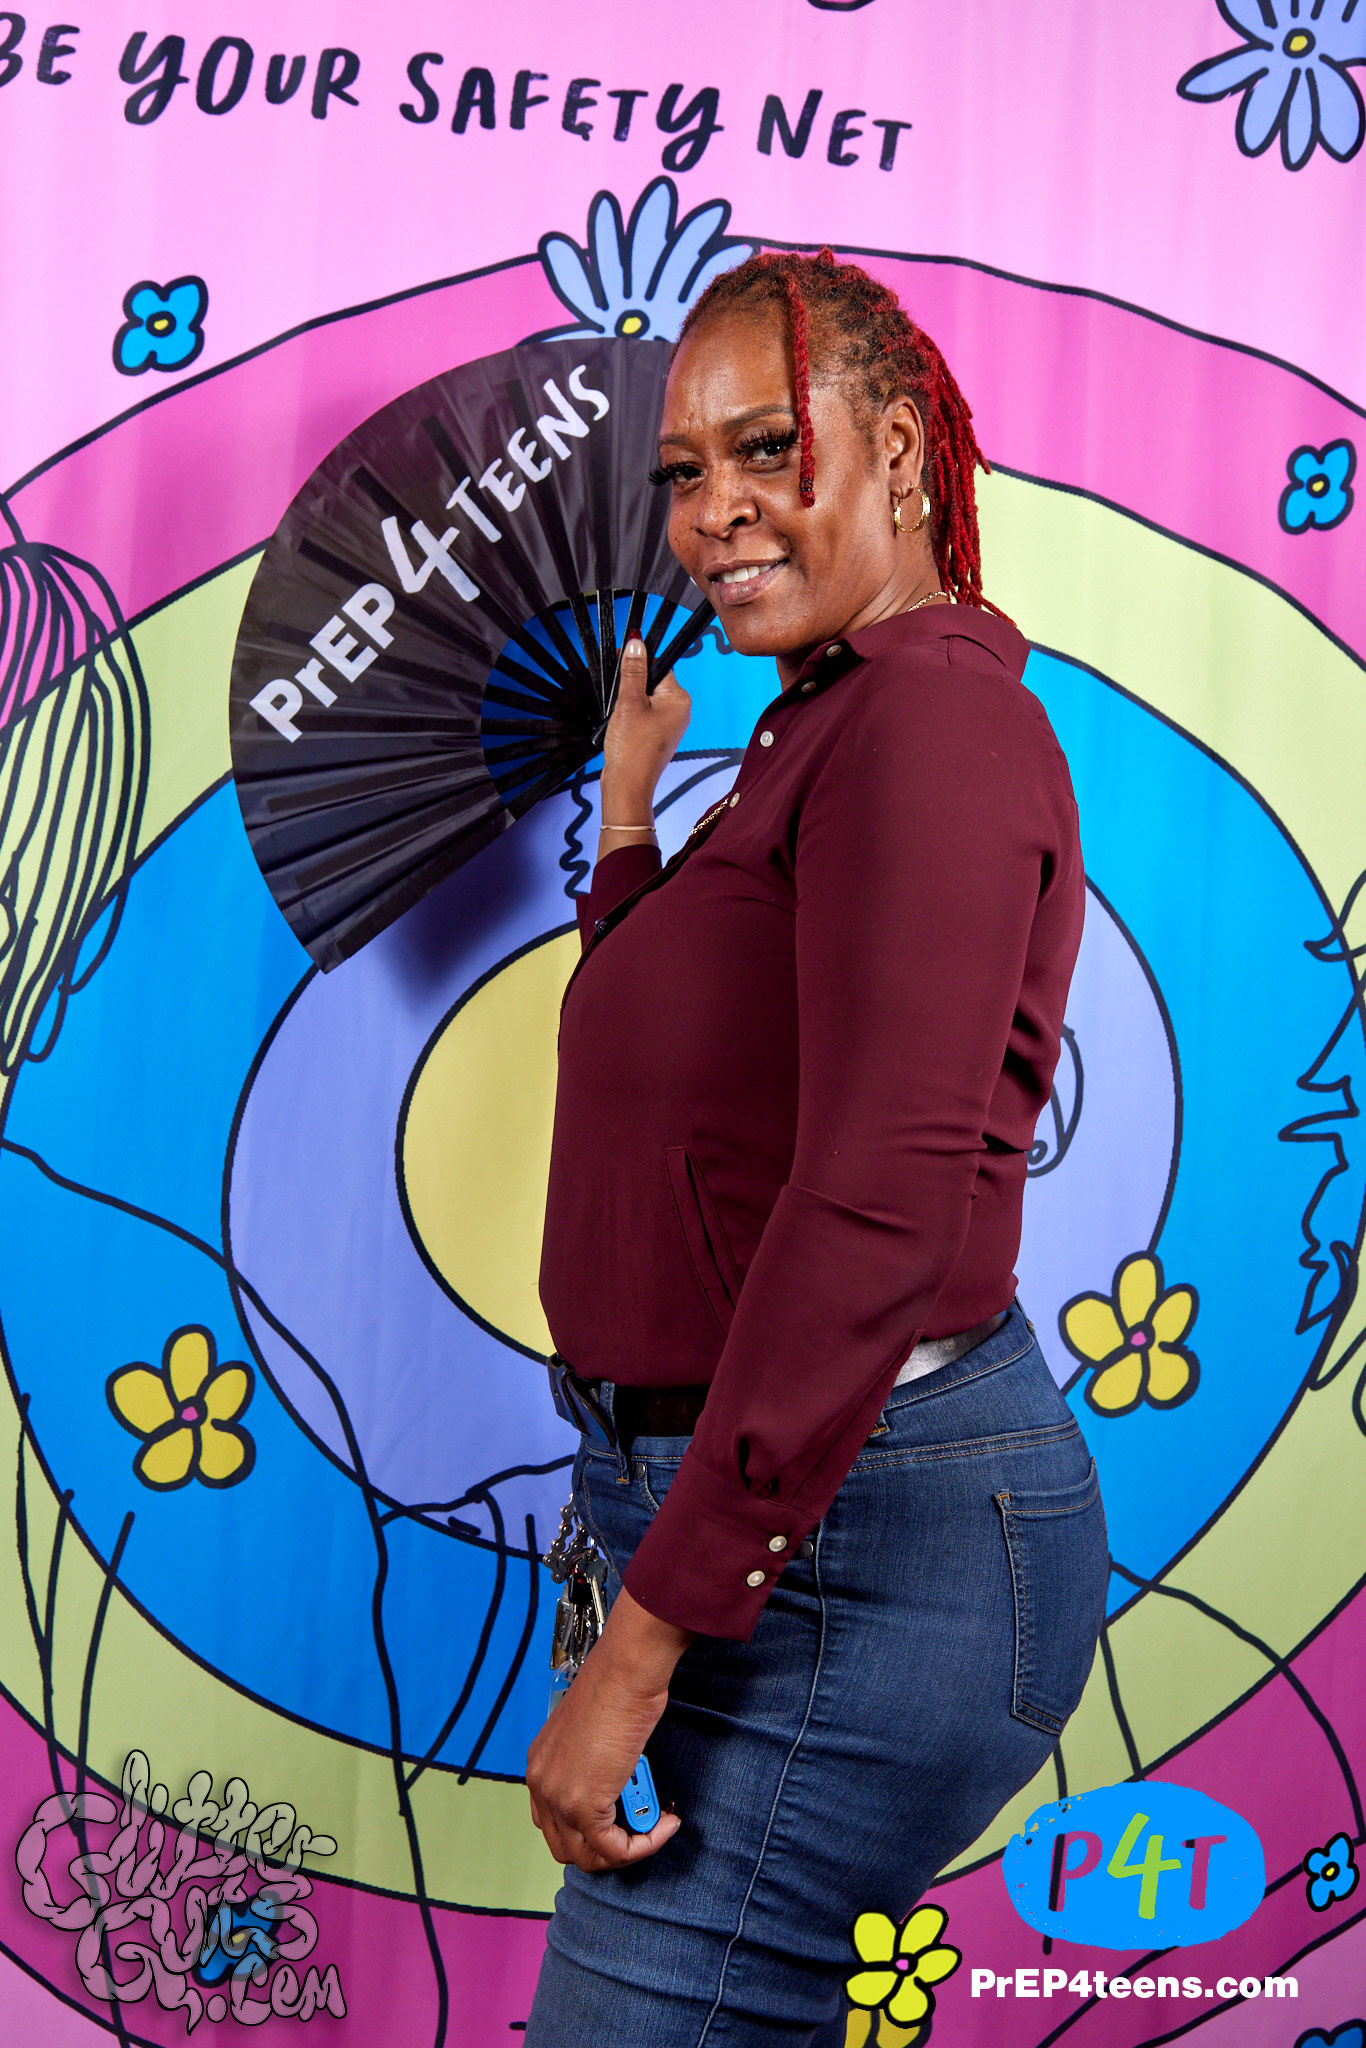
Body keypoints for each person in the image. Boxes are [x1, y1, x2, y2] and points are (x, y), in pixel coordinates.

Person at [523, 249, 1109, 2048]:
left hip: (854, 1543)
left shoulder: (927, 723)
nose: (714, 509)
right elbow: (675, 1046)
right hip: (761, 1520)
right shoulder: (822, 728)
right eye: (683, 472)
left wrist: (645, 1642)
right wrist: (632, 810)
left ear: (906, 450)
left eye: (767, 446)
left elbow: (872, 1206)